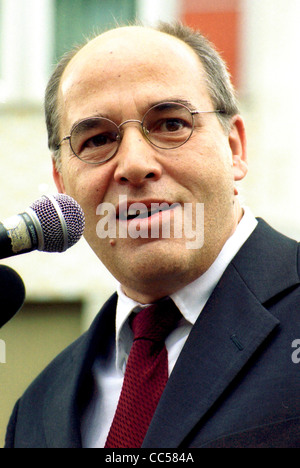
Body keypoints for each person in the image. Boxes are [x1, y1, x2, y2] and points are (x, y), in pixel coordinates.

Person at [5, 22, 300, 448]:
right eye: (98, 139)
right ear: (63, 186)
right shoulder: (35, 411)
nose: (134, 164)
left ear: (234, 148)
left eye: (170, 124)